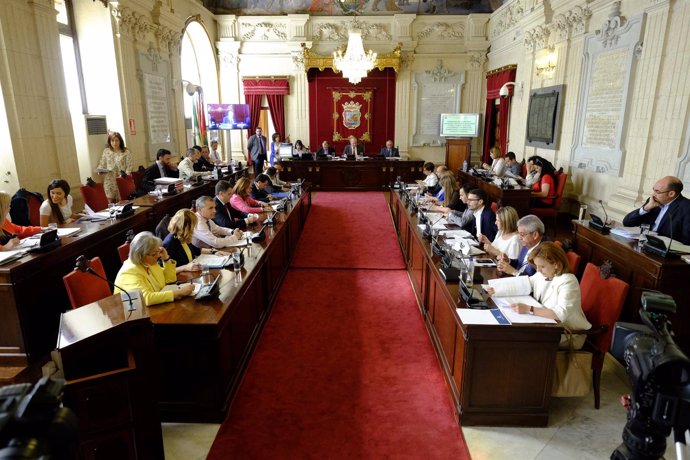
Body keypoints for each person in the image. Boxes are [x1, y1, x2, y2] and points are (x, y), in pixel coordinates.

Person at [509, 242, 591, 349]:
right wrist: (494, 288)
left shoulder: (568, 281)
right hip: (548, 325)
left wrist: (529, 309)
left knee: (521, 339)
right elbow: (524, 283)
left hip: (567, 332)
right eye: (537, 266)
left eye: (542, 266)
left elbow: (560, 314)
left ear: (556, 264)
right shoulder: (543, 274)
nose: (538, 270)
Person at [114, 231, 194, 306]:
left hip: (154, 308)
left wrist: (166, 259)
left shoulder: (149, 263)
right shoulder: (129, 273)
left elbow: (169, 279)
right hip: (135, 314)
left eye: (158, 252)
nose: (158, 256)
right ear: (140, 255)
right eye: (153, 254)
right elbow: (146, 298)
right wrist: (179, 293)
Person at [622, 176, 690, 245]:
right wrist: (646, 208)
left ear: (671, 194)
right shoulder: (653, 201)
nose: (653, 194)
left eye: (657, 191)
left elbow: (687, 241)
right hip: (644, 243)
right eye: (653, 190)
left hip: (664, 250)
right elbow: (627, 222)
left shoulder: (687, 207)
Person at [163, 209, 229, 272]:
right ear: (185, 227)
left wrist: (214, 251)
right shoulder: (169, 243)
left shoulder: (183, 236)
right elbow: (166, 272)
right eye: (193, 226)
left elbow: (196, 250)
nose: (194, 229)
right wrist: (184, 268)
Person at [97, 131, 133, 202]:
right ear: (109, 142)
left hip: (121, 180)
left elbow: (130, 166)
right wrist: (100, 170)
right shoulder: (106, 151)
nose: (114, 143)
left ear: (120, 141)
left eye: (116, 140)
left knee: (122, 202)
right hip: (109, 181)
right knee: (110, 204)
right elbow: (102, 164)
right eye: (112, 141)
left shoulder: (126, 152)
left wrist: (124, 176)